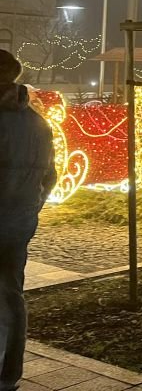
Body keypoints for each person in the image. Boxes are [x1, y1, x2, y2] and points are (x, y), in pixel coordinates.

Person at [0, 50, 57, 391]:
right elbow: (50, 177)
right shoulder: (37, 122)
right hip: (19, 223)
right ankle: (8, 376)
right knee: (10, 296)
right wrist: (29, 209)